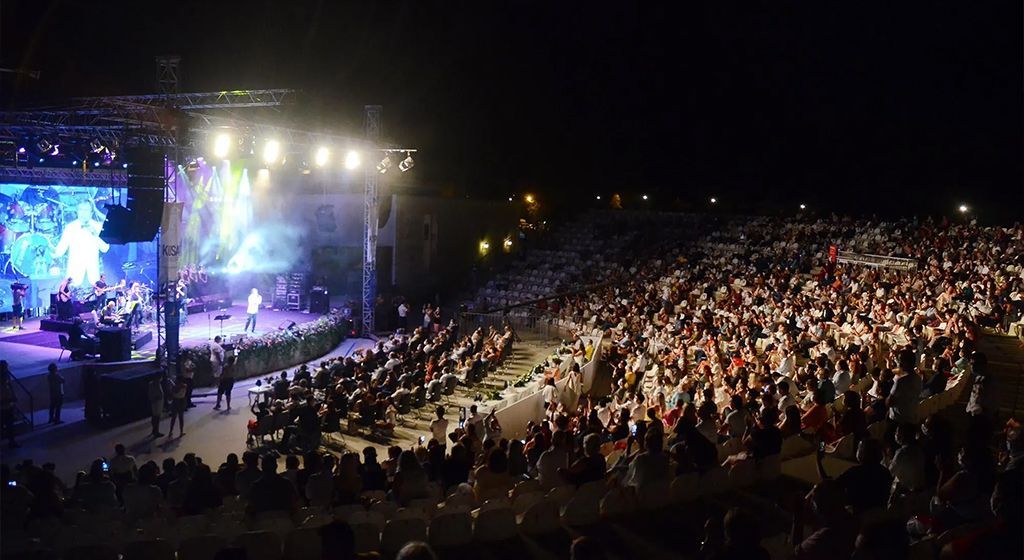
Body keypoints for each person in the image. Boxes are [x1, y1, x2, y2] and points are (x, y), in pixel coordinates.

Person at [53, 199, 109, 287]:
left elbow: (105, 248)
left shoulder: (98, 226)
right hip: (74, 277)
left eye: (86, 210)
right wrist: (51, 250)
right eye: (80, 210)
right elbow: (60, 250)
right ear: (77, 212)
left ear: (91, 212)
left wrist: (95, 235)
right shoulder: (70, 228)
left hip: (93, 277)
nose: (83, 213)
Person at [0, 362, 19, 448]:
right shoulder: (4, 378)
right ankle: (11, 441)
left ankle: (12, 441)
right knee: (8, 425)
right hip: (4, 407)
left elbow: (10, 387)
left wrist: (13, 396)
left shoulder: (7, 377)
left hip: (8, 406)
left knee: (10, 425)